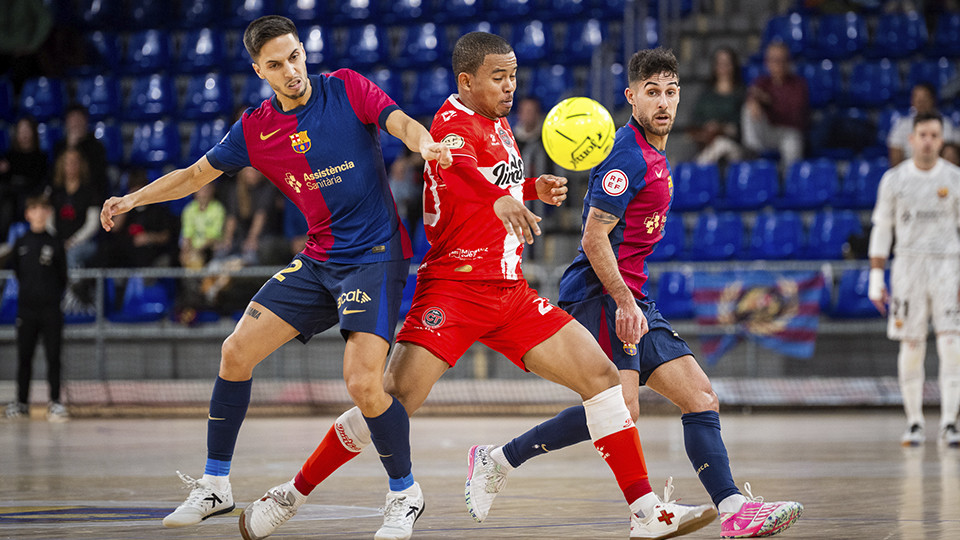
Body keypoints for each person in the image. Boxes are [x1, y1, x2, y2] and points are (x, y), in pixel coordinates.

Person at [240, 32, 717, 540]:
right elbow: (458, 167)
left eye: (513, 76)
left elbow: (491, 178)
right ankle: (292, 493)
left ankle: (646, 514)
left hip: (509, 293)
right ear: (466, 82)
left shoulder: (499, 122)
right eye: (498, 77)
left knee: (604, 383)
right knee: (389, 400)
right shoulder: (449, 124)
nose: (510, 87)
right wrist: (499, 199)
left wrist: (530, 189)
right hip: (452, 290)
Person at [98, 15, 452, 536]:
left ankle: (405, 492)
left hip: (374, 255)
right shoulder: (256, 128)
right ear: (258, 70)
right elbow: (196, 175)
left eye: (295, 56)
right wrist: (133, 198)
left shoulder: (346, 89)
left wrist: (422, 143)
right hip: (318, 260)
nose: (291, 71)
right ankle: (216, 485)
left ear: (303, 52)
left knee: (361, 382)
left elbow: (399, 121)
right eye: (276, 64)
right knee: (235, 352)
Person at [462, 47, 804, 539]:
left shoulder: (655, 153)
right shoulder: (626, 153)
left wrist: (632, 301)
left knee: (701, 397)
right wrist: (623, 302)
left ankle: (733, 511)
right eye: (652, 93)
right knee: (620, 409)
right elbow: (593, 237)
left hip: (632, 296)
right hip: (600, 294)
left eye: (670, 92)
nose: (663, 103)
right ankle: (502, 461)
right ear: (631, 97)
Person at [868, 111, 960, 448]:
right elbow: (883, 229)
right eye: (922, 134)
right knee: (911, 345)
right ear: (911, 138)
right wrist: (876, 277)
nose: (927, 141)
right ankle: (915, 422)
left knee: (952, 345)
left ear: (942, 140)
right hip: (908, 266)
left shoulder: (955, 178)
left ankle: (950, 423)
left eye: (934, 135)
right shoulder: (894, 180)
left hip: (949, 266)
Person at [4, 195, 68, 422]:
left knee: (53, 357)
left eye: (43, 208)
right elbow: (18, 273)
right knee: (24, 357)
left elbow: (63, 277)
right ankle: (21, 402)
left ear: (48, 212)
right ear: (27, 213)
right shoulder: (21, 243)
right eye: (34, 208)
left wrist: (48, 296)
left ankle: (55, 402)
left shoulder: (55, 242)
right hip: (26, 310)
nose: (39, 213)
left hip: (51, 310)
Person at [741, 41, 808, 168]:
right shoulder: (762, 82)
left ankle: (790, 180)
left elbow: (794, 114)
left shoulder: (798, 85)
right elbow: (752, 94)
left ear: (788, 62)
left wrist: (770, 101)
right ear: (767, 62)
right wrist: (753, 101)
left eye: (782, 60)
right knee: (748, 108)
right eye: (774, 60)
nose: (778, 64)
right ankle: (752, 154)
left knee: (792, 144)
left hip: (789, 132)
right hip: (768, 132)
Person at [689, 47, 745, 165]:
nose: (723, 67)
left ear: (734, 65)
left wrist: (721, 128)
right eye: (720, 63)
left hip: (734, 146)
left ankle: (697, 168)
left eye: (727, 63)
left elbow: (742, 127)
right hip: (707, 143)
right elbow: (695, 120)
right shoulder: (706, 94)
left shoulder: (741, 93)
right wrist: (707, 128)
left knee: (721, 144)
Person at [887, 82, 960, 167]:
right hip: (911, 173)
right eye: (916, 97)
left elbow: (951, 154)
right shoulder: (902, 125)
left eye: (925, 97)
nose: (920, 101)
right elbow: (895, 158)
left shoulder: (945, 124)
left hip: (940, 171)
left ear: (933, 99)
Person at [49, 148, 100, 268]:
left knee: (72, 254)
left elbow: (93, 224)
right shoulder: (55, 191)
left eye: (75, 162)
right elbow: (48, 219)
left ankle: (72, 286)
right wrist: (57, 240)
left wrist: (73, 241)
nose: (71, 166)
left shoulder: (90, 191)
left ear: (81, 165)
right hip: (58, 240)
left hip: (85, 242)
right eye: (67, 162)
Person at [0, 117, 49, 241]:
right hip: (10, 197)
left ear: (33, 133)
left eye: (27, 130)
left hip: (29, 197)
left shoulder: (41, 158)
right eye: (21, 131)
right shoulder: (9, 156)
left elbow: (40, 183)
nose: (24, 134)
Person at [54, 104, 109, 199]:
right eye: (72, 119)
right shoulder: (60, 146)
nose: (76, 123)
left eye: (79, 119)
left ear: (86, 121)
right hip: (63, 194)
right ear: (66, 122)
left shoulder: (96, 146)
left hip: (90, 193)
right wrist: (70, 146)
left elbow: (97, 175)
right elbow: (57, 174)